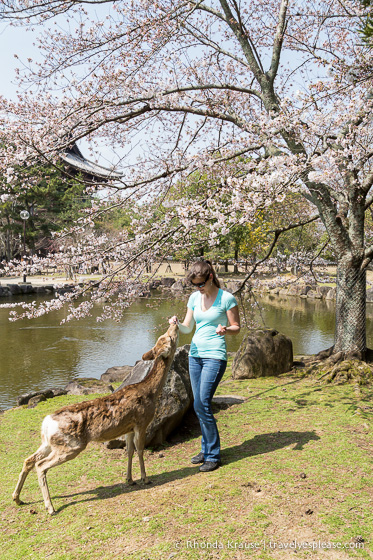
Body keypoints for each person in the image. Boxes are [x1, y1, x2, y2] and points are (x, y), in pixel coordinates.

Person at [169, 259, 240, 472]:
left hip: (215, 356)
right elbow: (187, 328)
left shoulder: (227, 298)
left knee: (202, 404)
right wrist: (176, 324)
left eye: (201, 284)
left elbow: (237, 327)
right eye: (194, 285)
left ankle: (213, 455)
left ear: (210, 277)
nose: (198, 288)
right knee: (198, 404)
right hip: (195, 355)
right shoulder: (194, 298)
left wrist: (226, 330)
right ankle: (206, 448)